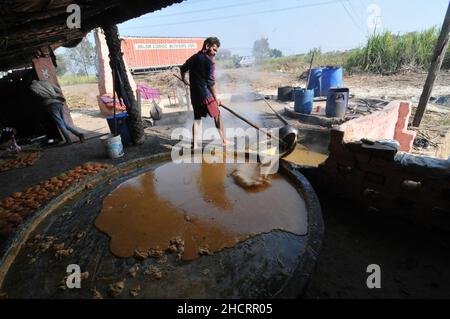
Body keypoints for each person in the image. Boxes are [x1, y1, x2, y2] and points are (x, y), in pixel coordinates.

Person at [180, 37, 230, 149]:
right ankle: (224, 141)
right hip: (206, 94)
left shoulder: (193, 58)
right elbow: (211, 83)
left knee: (197, 118)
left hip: (195, 95)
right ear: (207, 46)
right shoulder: (210, 62)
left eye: (216, 51)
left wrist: (183, 79)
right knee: (217, 115)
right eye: (214, 49)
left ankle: (195, 144)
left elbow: (182, 68)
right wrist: (216, 99)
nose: (215, 53)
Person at [30, 80, 85, 145]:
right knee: (63, 123)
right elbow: (58, 90)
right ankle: (79, 134)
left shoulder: (32, 87)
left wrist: (49, 96)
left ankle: (68, 140)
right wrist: (54, 95)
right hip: (58, 102)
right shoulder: (46, 82)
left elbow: (40, 94)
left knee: (60, 123)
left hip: (50, 104)